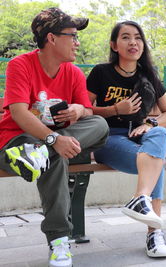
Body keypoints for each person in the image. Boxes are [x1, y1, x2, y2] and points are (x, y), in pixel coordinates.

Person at [0, 8, 109, 267]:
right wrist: (52, 140)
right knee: (56, 157)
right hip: (17, 143)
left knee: (99, 124)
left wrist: (79, 110)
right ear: (51, 38)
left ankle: (41, 155)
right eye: (72, 35)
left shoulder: (72, 72)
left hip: (54, 143)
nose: (77, 42)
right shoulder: (20, 64)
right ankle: (59, 239)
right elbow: (18, 112)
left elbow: (89, 111)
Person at [86, 20, 166, 258]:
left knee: (160, 134)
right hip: (108, 138)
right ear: (114, 45)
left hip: (140, 137)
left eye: (137, 37)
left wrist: (149, 124)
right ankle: (154, 232)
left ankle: (140, 198)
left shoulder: (149, 76)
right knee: (156, 160)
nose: (133, 42)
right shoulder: (101, 72)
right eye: (125, 37)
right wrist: (114, 110)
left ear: (143, 45)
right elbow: (83, 109)